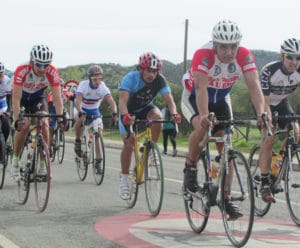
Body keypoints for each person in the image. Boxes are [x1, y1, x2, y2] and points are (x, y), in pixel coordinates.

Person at [181, 19, 265, 219]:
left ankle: (226, 198)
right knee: (202, 129)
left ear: (239, 44)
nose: (229, 52)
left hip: (221, 98)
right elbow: (201, 88)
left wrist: (262, 113)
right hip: (194, 96)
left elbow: (254, 86)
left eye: (233, 46)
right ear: (214, 44)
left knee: (226, 147)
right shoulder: (203, 55)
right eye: (223, 47)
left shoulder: (244, 55)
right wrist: (203, 116)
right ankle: (190, 167)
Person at [118, 52, 181, 200]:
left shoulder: (160, 80)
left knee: (158, 117)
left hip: (146, 109)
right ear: (141, 68)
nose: (151, 75)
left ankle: (151, 150)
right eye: (148, 70)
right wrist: (126, 116)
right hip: (128, 111)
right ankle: (124, 179)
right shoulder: (130, 78)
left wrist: (174, 114)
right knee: (129, 143)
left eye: (154, 71)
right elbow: (122, 101)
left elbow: (169, 100)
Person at [11, 44, 66, 180]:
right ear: (31, 62)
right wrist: (17, 118)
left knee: (44, 123)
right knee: (23, 125)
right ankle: (15, 161)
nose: (42, 69)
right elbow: (16, 98)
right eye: (39, 64)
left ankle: (42, 164)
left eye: (45, 65)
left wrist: (61, 119)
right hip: (22, 98)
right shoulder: (22, 70)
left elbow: (58, 99)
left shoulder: (53, 72)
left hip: (37, 98)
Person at [258, 38, 300, 203]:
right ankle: (264, 182)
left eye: (298, 58)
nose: (294, 62)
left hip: (282, 102)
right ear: (282, 56)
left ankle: (279, 162)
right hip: (265, 102)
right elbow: (265, 102)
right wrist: (268, 120)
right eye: (290, 57)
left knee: (297, 133)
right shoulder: (270, 70)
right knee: (270, 137)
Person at [73, 64, 118, 166]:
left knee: (99, 134)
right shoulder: (83, 85)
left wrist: (115, 112)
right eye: (95, 79)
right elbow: (78, 101)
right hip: (82, 108)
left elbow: (112, 102)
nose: (98, 81)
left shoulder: (103, 87)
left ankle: (98, 160)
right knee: (79, 119)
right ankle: (77, 141)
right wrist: (80, 111)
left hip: (94, 110)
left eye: (100, 79)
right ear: (89, 79)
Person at [48, 78, 74, 157]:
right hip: (53, 111)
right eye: (58, 86)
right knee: (51, 128)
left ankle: (61, 131)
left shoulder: (66, 92)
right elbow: (49, 106)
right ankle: (49, 146)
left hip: (62, 110)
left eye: (62, 86)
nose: (60, 88)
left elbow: (73, 96)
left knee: (67, 121)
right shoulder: (51, 94)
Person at [0, 62, 12, 142]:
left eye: (0, 75)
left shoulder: (7, 80)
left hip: (3, 102)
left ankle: (3, 143)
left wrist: (8, 112)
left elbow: (9, 98)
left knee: (5, 121)